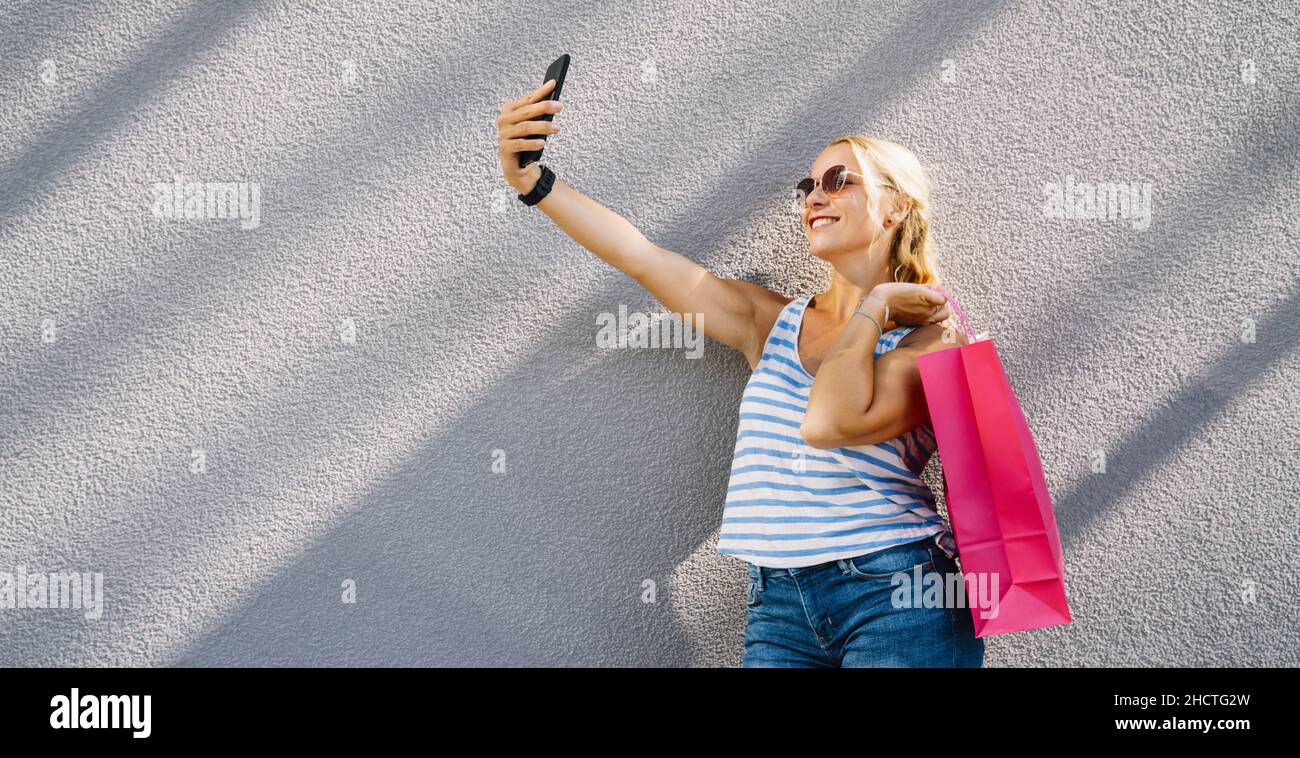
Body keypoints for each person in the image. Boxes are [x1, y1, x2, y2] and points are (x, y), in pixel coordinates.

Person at [496, 78, 983, 667]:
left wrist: (876, 308)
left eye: (838, 181)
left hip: (897, 594)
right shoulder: (769, 319)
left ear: (897, 205)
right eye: (809, 185)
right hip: (777, 604)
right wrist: (533, 181)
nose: (814, 197)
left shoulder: (934, 336)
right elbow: (642, 257)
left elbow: (828, 422)